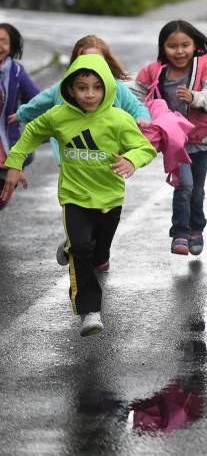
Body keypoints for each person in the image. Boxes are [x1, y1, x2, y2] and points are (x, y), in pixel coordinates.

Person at [1, 54, 156, 336]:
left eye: (97, 87)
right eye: (82, 87)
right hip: (74, 197)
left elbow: (145, 148)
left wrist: (132, 160)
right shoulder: (59, 116)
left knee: (99, 252)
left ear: (107, 88)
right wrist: (14, 163)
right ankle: (90, 311)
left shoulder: (118, 119)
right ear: (70, 89)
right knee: (83, 249)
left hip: (109, 198)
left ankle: (74, 248)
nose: (90, 93)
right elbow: (33, 131)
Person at [131, 21, 207, 256]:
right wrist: (144, 113)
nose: (179, 51)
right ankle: (180, 233)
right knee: (184, 185)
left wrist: (194, 97)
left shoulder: (205, 66)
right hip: (174, 141)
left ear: (195, 45)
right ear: (163, 47)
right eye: (172, 46)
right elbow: (133, 93)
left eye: (185, 45)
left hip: (200, 138)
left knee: (197, 189)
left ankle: (197, 229)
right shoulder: (154, 70)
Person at [16, 35, 150, 166]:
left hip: (106, 158)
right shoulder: (62, 89)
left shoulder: (117, 89)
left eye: (97, 61)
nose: (90, 94)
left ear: (107, 62)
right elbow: (39, 102)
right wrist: (21, 114)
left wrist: (142, 117)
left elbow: (135, 106)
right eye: (81, 88)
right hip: (72, 157)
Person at [0, 22, 40, 210]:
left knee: (2, 199)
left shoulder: (16, 72)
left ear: (12, 46)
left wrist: (23, 114)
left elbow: (37, 102)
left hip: (8, 148)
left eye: (4, 42)